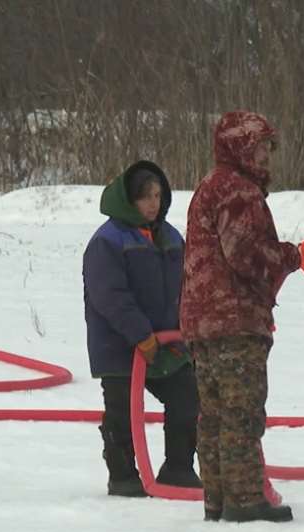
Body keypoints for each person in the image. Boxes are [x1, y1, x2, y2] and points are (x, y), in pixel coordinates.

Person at [181, 110, 304, 523]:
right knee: (240, 412)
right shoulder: (237, 190)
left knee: (214, 415)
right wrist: (296, 255)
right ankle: (245, 500)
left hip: (204, 322)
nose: (268, 154)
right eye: (261, 145)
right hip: (234, 321)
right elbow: (247, 255)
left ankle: (217, 500)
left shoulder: (210, 187)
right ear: (241, 146)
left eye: (269, 146)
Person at [83, 160, 202, 497]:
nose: (153, 203)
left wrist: (184, 330)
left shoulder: (171, 237)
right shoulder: (108, 241)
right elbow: (111, 296)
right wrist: (140, 334)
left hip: (166, 343)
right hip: (120, 346)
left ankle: (178, 468)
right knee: (122, 411)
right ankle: (123, 476)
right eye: (146, 197)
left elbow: (187, 287)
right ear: (129, 200)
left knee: (187, 395)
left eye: (158, 196)